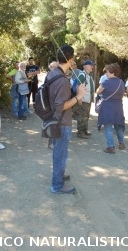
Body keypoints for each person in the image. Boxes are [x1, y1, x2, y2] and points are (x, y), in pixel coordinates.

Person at [48, 44, 86, 194]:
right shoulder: (62, 80)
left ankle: (60, 175)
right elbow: (61, 106)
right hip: (62, 121)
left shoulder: (52, 74)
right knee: (61, 153)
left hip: (54, 119)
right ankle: (57, 185)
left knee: (59, 151)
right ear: (70, 59)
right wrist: (79, 96)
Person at [96, 63, 126, 153]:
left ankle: (111, 147)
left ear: (112, 72)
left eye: (107, 72)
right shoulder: (121, 82)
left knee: (108, 126)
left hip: (107, 106)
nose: (106, 74)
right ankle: (121, 143)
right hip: (118, 107)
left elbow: (98, 92)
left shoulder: (106, 82)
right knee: (118, 126)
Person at [72, 60, 95, 139]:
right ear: (85, 66)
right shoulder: (82, 75)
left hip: (88, 100)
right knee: (82, 116)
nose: (92, 66)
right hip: (83, 99)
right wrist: (79, 98)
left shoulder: (88, 75)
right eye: (90, 65)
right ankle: (80, 132)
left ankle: (84, 130)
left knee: (86, 116)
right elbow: (78, 86)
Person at [46, 61, 59, 150]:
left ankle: (56, 141)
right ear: (50, 67)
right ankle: (51, 142)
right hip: (51, 104)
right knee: (52, 123)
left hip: (58, 103)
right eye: (52, 67)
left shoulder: (59, 75)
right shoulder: (49, 76)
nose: (54, 68)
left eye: (55, 67)